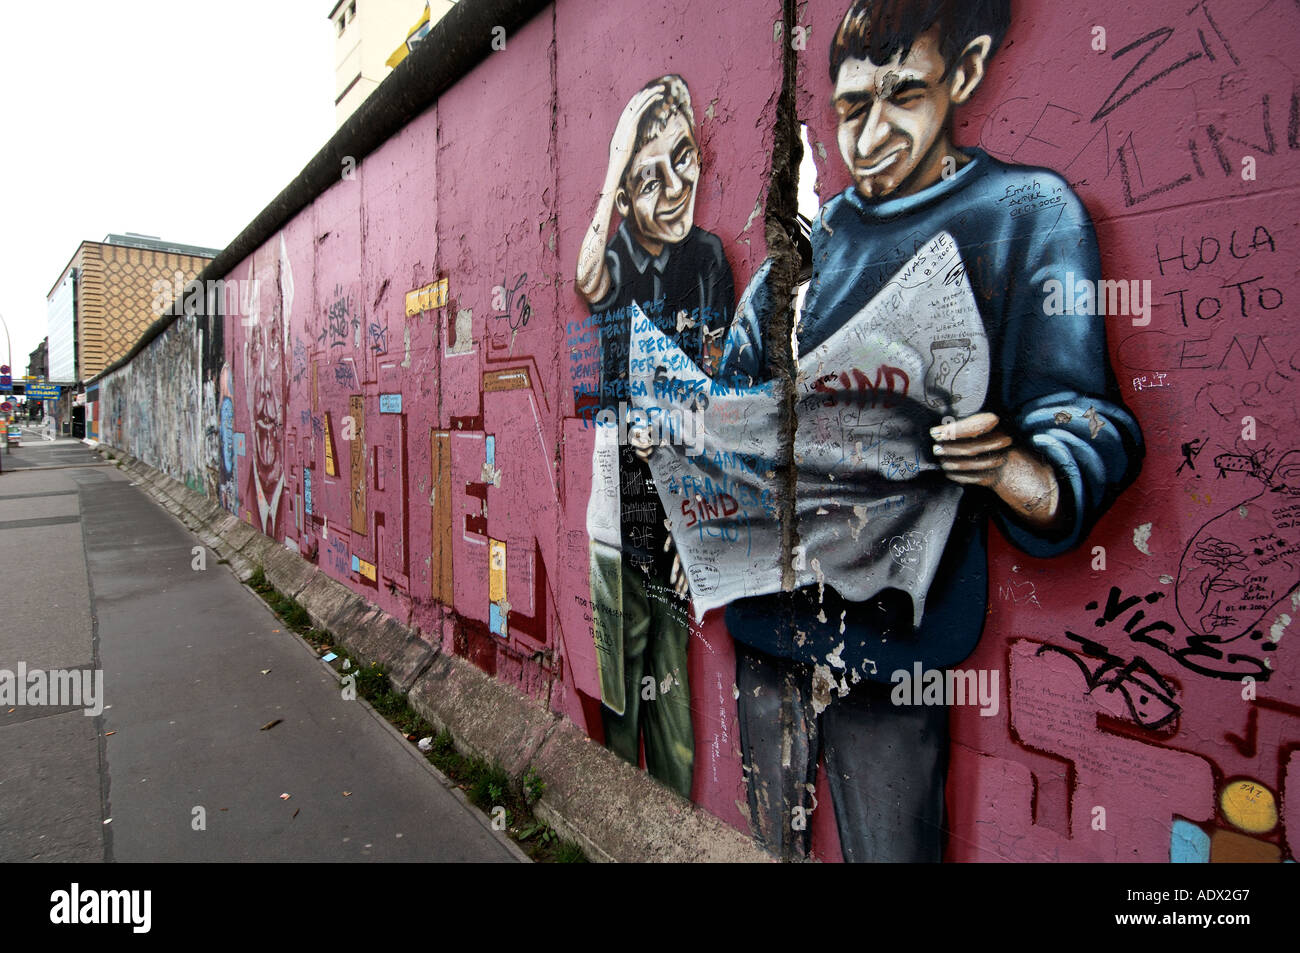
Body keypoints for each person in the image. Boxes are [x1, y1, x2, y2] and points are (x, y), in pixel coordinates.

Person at [719, 0, 1143, 860]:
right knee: (769, 844)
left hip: (896, 644)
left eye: (903, 97)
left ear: (968, 71)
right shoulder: (810, 241)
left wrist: (1008, 466)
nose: (870, 136)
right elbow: (731, 391)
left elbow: (1083, 419)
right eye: (849, 109)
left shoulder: (1026, 213)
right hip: (769, 623)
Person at [576, 75, 735, 799]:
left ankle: (666, 836)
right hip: (618, 522)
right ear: (623, 199)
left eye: (683, 156)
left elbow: (718, 401)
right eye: (647, 180)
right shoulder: (614, 265)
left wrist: (696, 523)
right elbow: (583, 275)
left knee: (671, 719)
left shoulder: (708, 262)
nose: (673, 187)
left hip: (675, 522)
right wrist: (611, 173)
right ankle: (615, 825)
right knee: (618, 710)